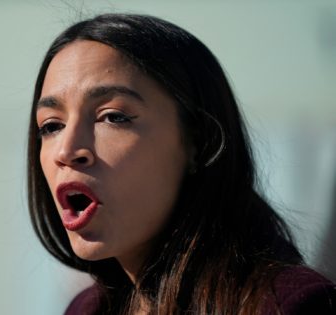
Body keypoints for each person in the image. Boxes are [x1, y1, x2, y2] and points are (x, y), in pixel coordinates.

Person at [27, 13, 336, 314]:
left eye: (113, 116)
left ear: (199, 143)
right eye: (51, 125)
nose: (66, 150)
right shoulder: (85, 308)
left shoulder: (291, 304)